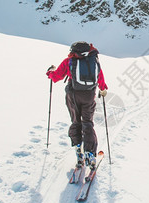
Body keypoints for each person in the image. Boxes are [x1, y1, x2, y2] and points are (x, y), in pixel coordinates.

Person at [46, 41, 108, 169]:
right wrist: (103, 88)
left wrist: (50, 72)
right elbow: (100, 77)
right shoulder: (93, 61)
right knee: (88, 123)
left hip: (72, 95)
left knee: (75, 121)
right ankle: (90, 153)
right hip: (89, 95)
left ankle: (78, 148)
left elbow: (56, 77)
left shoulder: (69, 61)